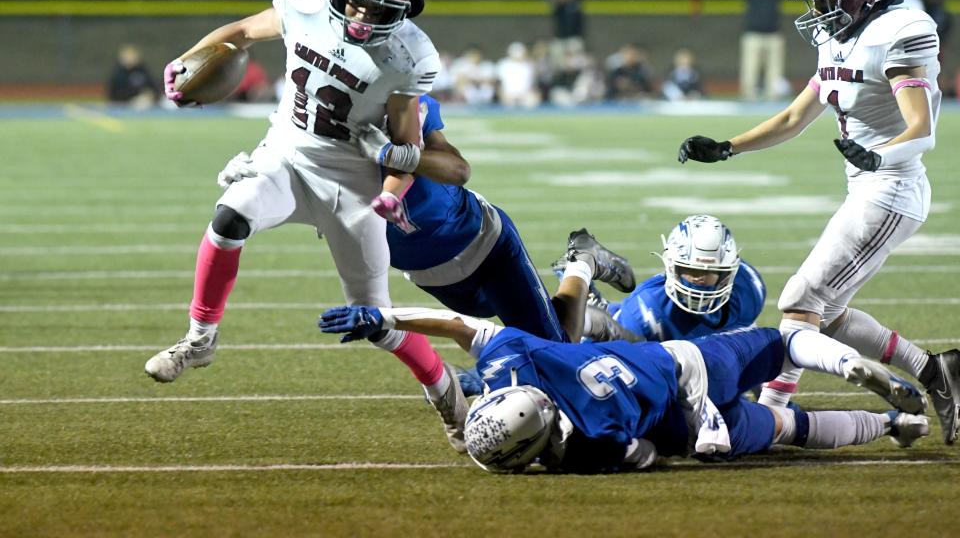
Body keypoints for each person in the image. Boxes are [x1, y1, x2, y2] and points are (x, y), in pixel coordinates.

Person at [143, 0, 470, 452]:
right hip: (287, 155)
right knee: (229, 218)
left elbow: (405, 148)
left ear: (401, 8)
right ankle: (199, 340)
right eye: (354, 0)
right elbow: (243, 34)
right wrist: (188, 61)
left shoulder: (409, 55)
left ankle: (444, 390)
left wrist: (389, 193)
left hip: (352, 184)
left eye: (376, 5)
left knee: (376, 320)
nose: (361, 14)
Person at [319, 230, 929, 473]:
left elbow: (641, 455)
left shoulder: (588, 438)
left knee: (786, 425)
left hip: (671, 392)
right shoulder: (515, 365)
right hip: (670, 365)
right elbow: (453, 330)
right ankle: (869, 386)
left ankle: (892, 422)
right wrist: (388, 323)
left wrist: (388, 326)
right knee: (779, 348)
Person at [677, 0, 960, 444]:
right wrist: (727, 147)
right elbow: (793, 117)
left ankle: (770, 413)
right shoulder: (841, 37)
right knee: (825, 318)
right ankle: (939, 371)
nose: (817, 12)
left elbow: (922, 128)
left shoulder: (895, 33)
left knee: (801, 300)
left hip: (892, 190)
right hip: (869, 186)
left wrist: (879, 155)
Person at [217, 94, 633, 343]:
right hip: (431, 275)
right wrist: (258, 178)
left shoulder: (403, 109)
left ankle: (582, 262)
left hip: (483, 243)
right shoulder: (321, 141)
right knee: (521, 321)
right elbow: (296, 181)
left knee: (550, 347)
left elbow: (458, 169)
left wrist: (396, 155)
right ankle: (589, 315)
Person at [565, 214, 766, 344]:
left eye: (709, 272)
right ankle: (587, 284)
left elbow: (749, 348)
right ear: (671, 266)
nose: (698, 280)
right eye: (690, 270)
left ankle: (604, 306)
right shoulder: (647, 309)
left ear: (728, 273)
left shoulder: (747, 287)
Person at [733, 0, 792, 100]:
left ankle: (772, 99)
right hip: (753, 35)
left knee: (775, 73)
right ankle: (748, 98)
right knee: (749, 71)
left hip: (774, 35)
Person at [106, 44, 160, 109]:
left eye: (131, 55)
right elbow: (114, 94)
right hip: (122, 105)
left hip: (143, 104)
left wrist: (150, 94)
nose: (129, 59)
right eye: (126, 56)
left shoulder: (143, 70)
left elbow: (153, 88)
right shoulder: (118, 74)